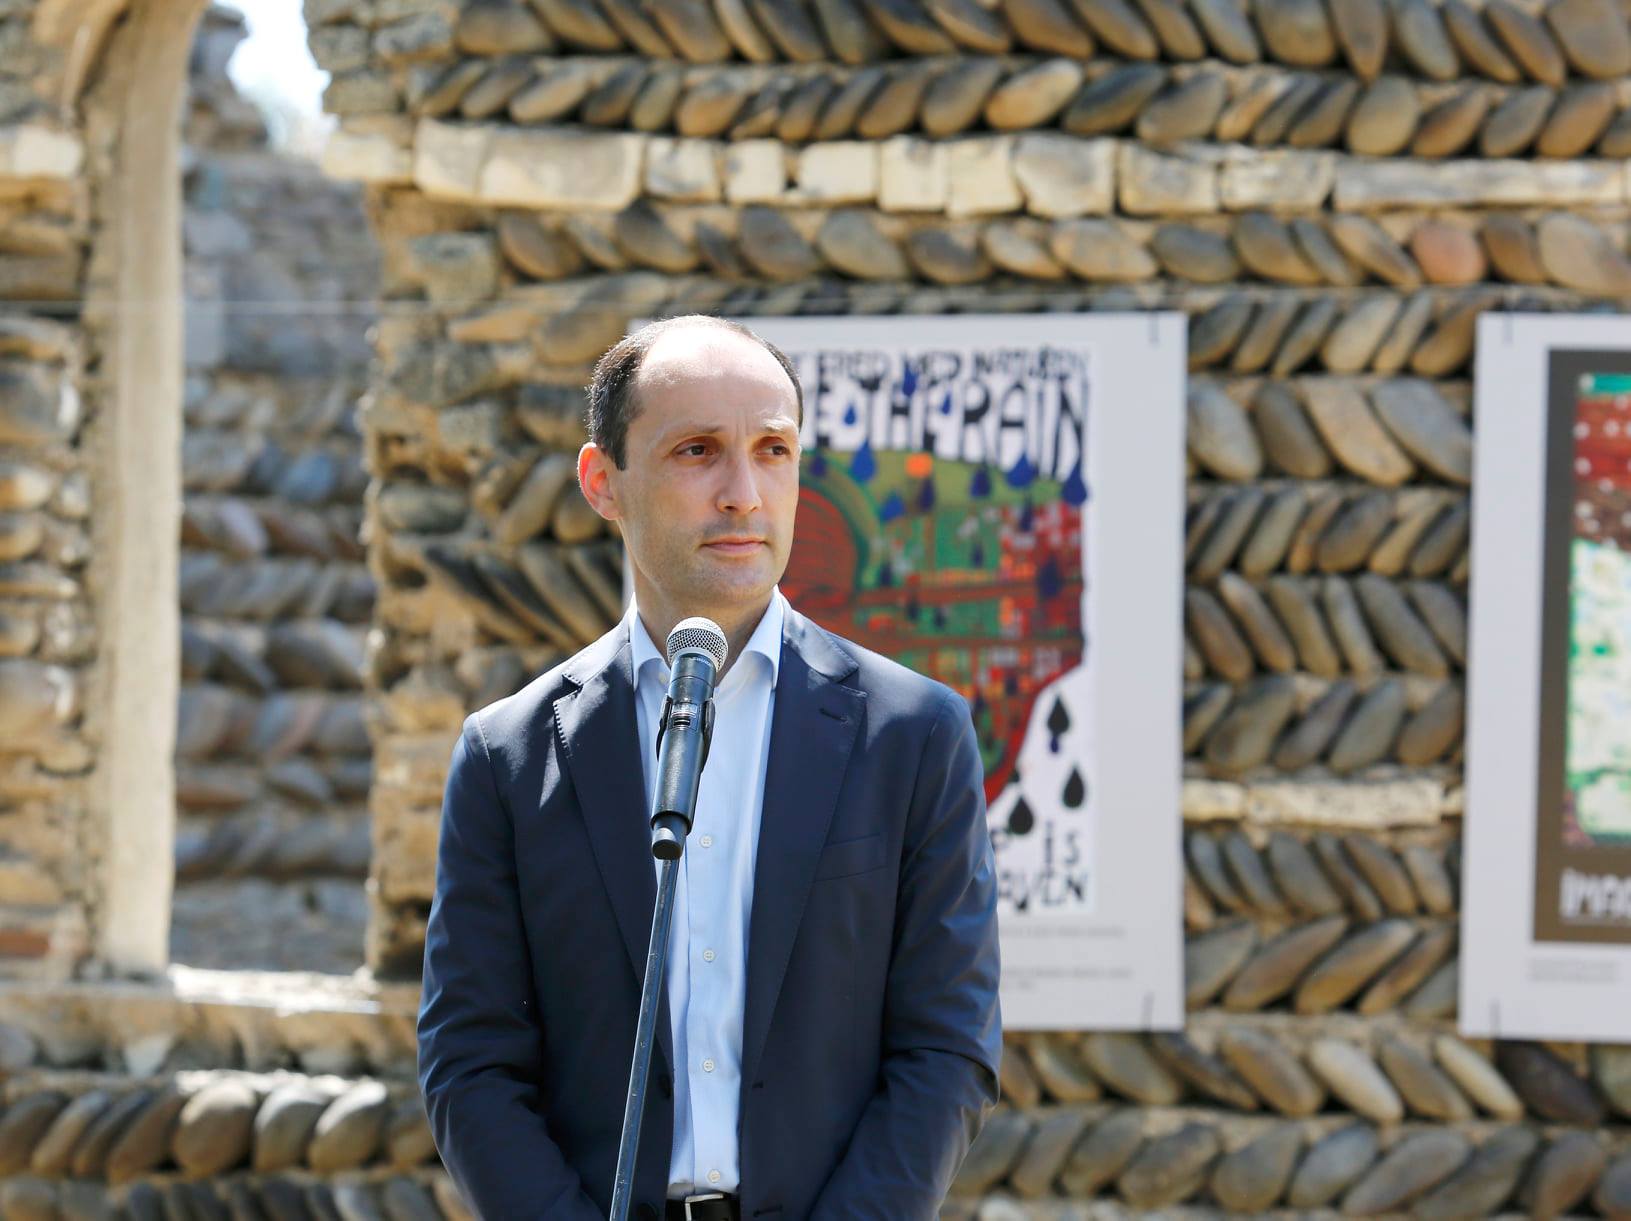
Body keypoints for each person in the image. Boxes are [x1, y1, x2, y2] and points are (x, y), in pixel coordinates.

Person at [417, 314, 1002, 1221]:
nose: (743, 493)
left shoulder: (915, 735)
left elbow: (946, 1046)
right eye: (697, 451)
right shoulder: (508, 753)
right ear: (603, 483)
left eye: (773, 450)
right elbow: (470, 1063)